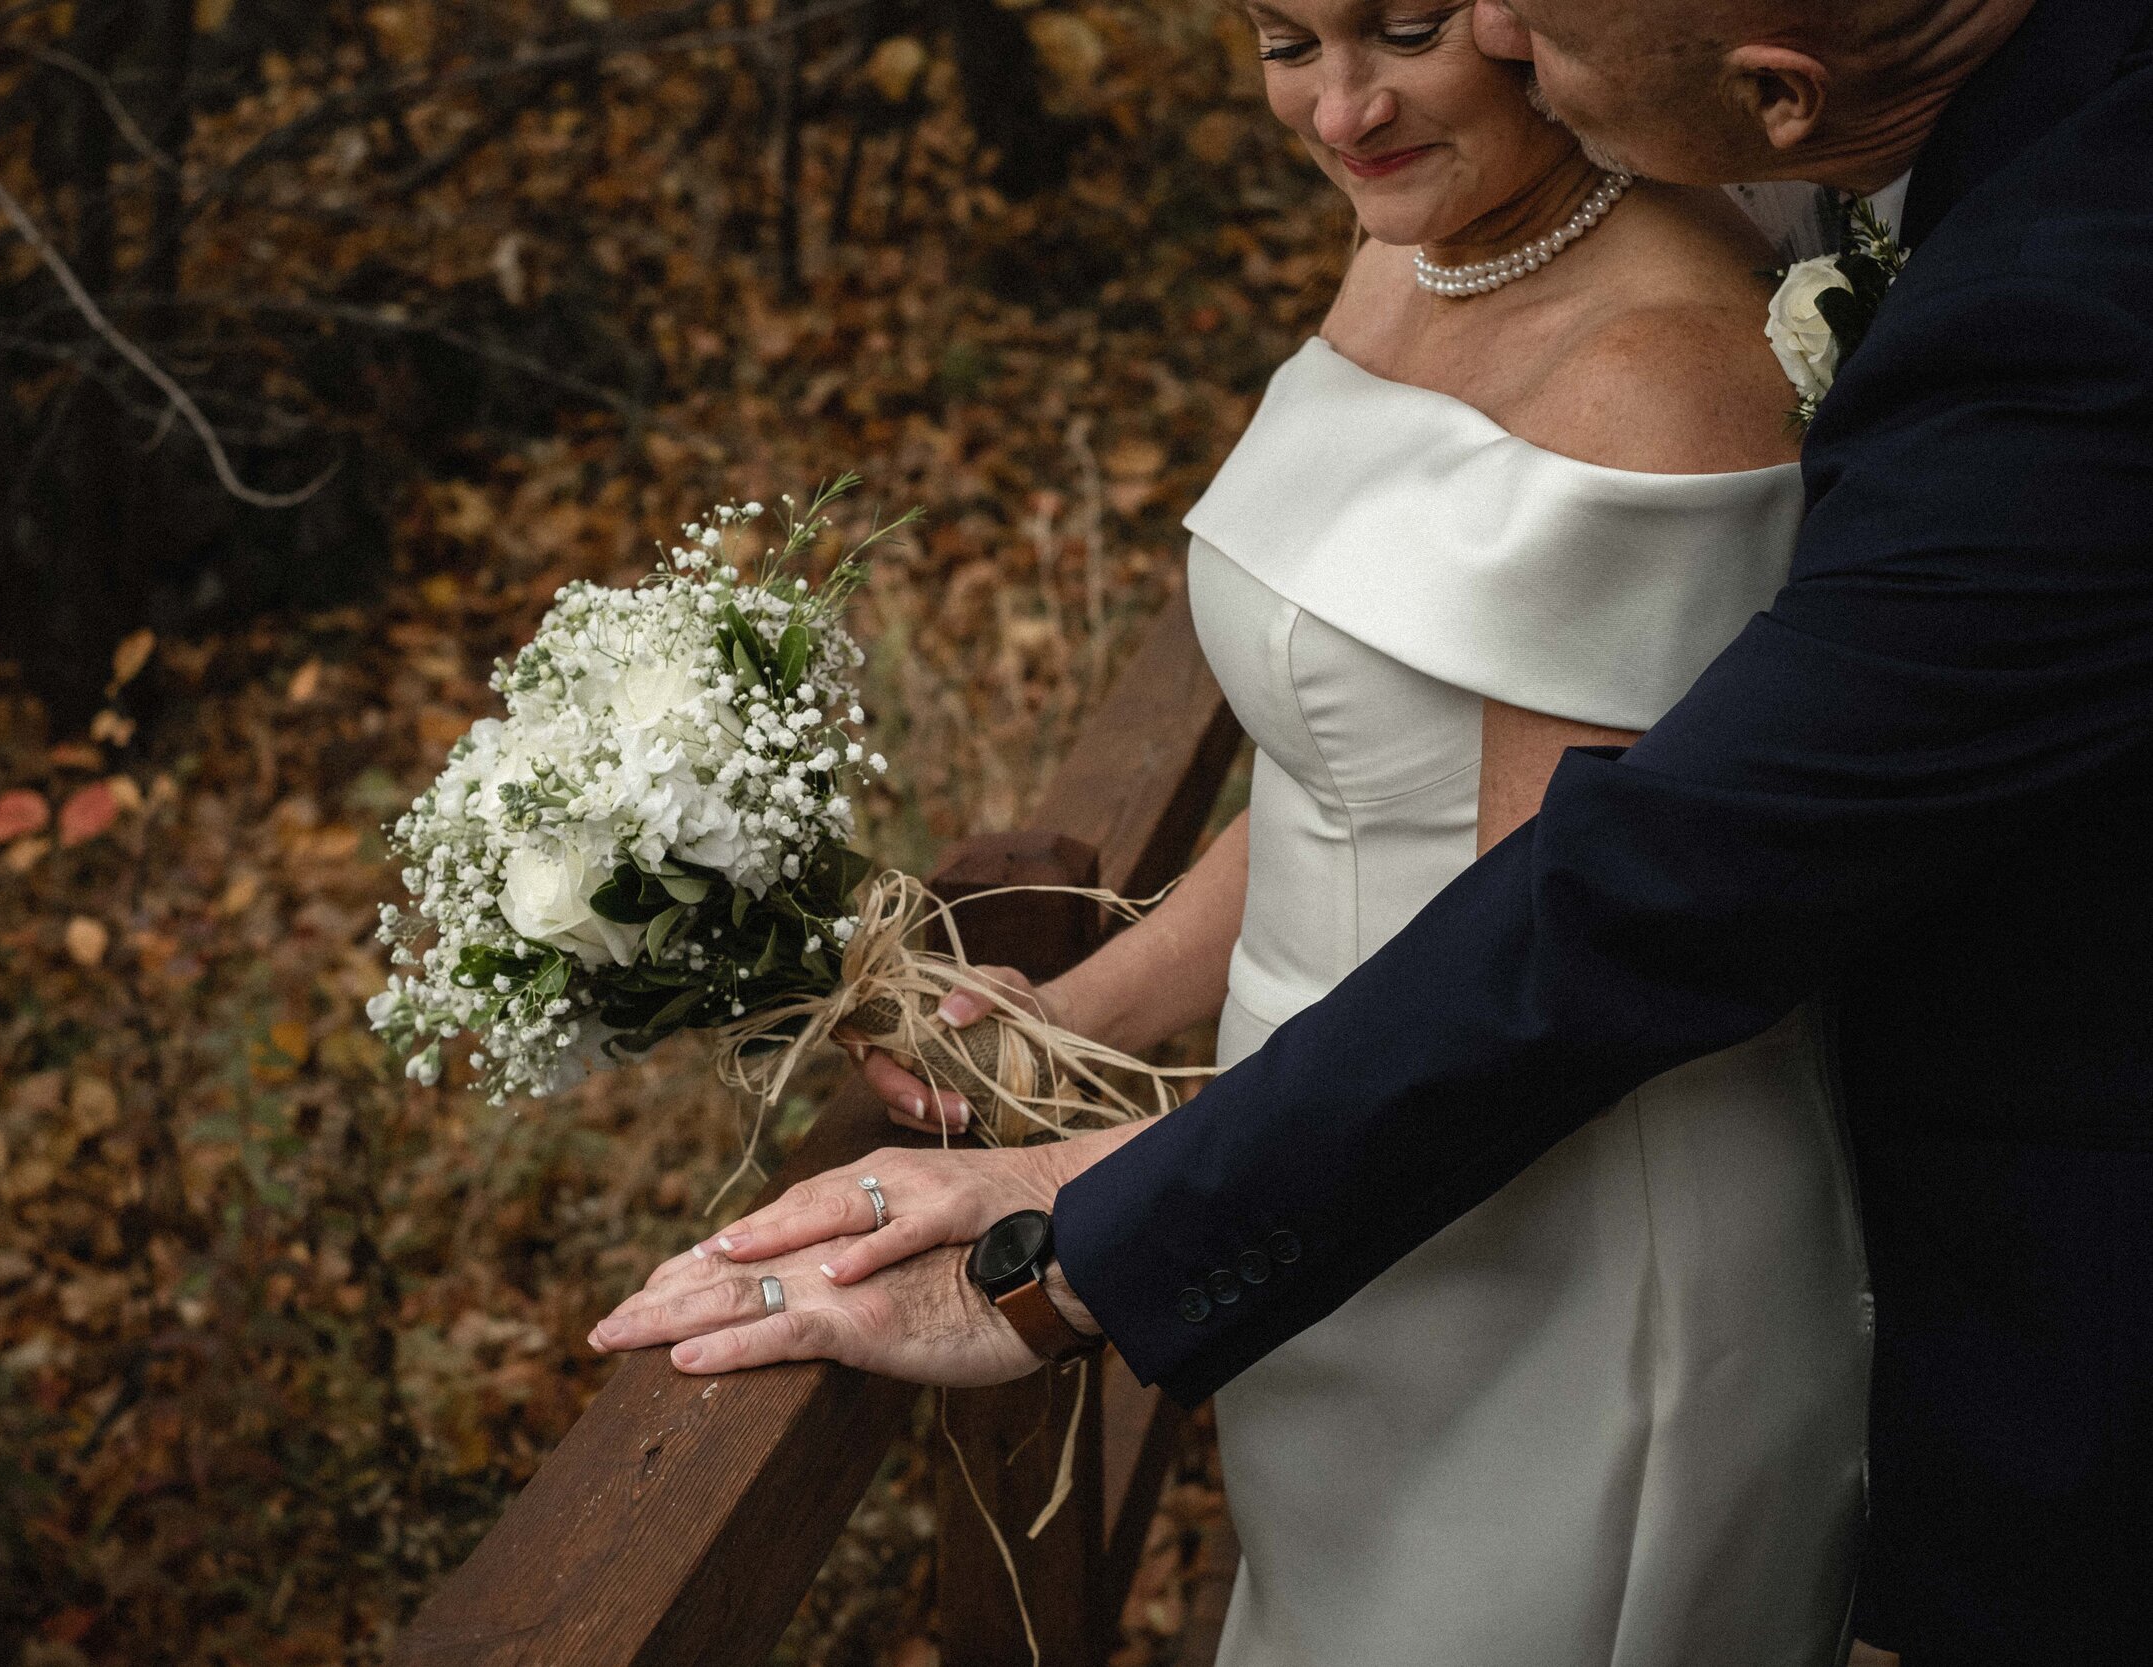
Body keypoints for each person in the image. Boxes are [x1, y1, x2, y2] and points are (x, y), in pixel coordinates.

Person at [597, 1, 2153, 1659]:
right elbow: (1355, 760)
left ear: (1777, 96)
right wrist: (1073, 1019)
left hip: (1531, 1191)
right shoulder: (1427, 243)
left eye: (1429, 22)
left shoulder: (1886, 324)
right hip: (1334, 1144)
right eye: (1282, 38)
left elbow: (1611, 910)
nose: (1359, 95)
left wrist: (1069, 1238)